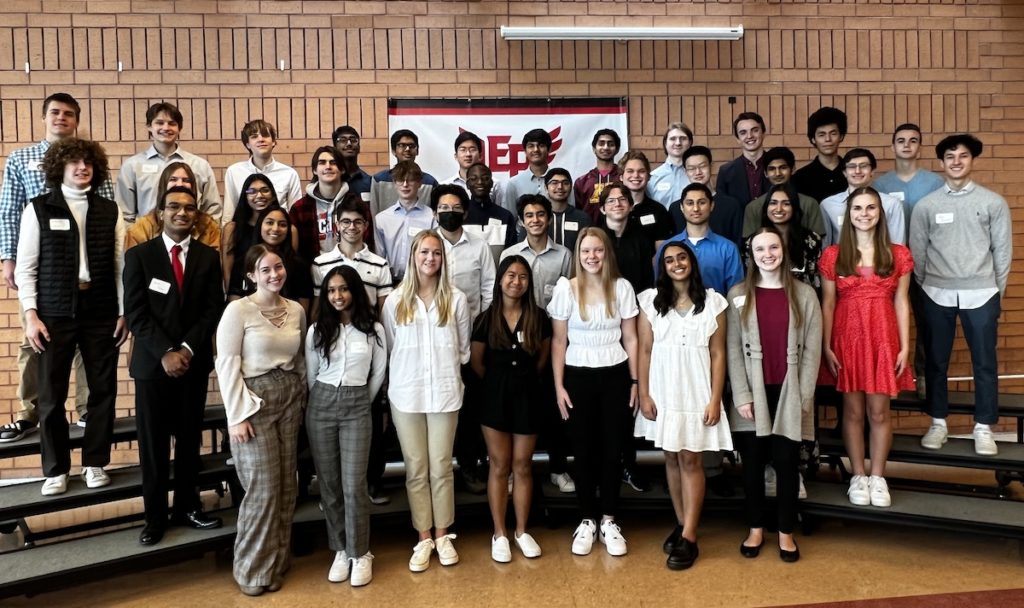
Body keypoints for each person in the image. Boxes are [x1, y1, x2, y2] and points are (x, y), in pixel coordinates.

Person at [15, 137, 128, 496]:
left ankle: (95, 463)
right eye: (74, 162)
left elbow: (119, 267)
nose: (82, 168)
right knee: (51, 396)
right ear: (59, 167)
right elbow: (26, 268)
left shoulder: (110, 210)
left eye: (88, 163)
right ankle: (55, 469)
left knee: (103, 391)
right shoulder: (38, 209)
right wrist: (31, 315)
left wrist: (123, 312)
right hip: (53, 314)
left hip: (100, 312)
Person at [0, 92, 115, 443]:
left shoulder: (90, 161)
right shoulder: (22, 158)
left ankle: (84, 411)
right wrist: (8, 258)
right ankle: (29, 412)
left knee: (88, 347)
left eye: (68, 113)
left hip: (86, 269)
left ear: (76, 119)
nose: (61, 118)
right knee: (34, 339)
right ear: (44, 117)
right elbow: (9, 210)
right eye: (54, 112)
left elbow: (106, 203)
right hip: (44, 269)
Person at [123, 185, 225, 545]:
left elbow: (213, 309)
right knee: (153, 446)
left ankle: (187, 507)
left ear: (196, 215)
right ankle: (154, 517)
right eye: (174, 207)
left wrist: (184, 349)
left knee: (188, 442)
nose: (182, 212)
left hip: (192, 364)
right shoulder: (140, 257)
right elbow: (136, 313)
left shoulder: (208, 258)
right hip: (152, 368)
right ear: (161, 213)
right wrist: (165, 351)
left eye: (189, 208)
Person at [911, 134, 1011, 457]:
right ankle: (938, 422)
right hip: (936, 292)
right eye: (950, 157)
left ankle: (983, 427)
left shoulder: (992, 202)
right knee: (936, 362)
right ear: (941, 163)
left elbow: (1003, 252)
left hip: (981, 294)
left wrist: (995, 289)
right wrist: (928, 285)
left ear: (972, 160)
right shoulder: (926, 206)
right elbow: (918, 252)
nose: (956, 161)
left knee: (985, 363)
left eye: (963, 156)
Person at [215, 244, 307, 596]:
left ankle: (276, 563)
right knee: (262, 490)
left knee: (286, 487)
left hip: (289, 396)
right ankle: (252, 571)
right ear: (251, 275)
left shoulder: (295, 309)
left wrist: (301, 393)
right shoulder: (238, 311)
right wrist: (236, 416)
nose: (274, 275)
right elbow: (226, 364)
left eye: (278, 267)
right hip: (254, 401)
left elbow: (298, 360)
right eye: (265, 270)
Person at [728, 227, 822, 564]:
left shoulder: (805, 295)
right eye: (760, 249)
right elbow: (733, 350)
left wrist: (804, 395)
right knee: (752, 465)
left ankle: (785, 531)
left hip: (790, 391)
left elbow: (812, 350)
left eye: (773, 247)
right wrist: (741, 394)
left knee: (786, 464)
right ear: (751, 254)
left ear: (783, 250)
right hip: (751, 394)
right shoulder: (738, 294)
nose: (768, 254)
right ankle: (755, 528)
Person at [635, 241, 730, 570]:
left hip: (696, 391)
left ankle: (690, 535)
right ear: (662, 267)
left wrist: (715, 398)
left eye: (682, 258)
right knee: (672, 458)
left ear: (692, 262)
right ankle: (681, 522)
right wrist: (644, 394)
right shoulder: (650, 302)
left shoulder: (714, 302)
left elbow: (719, 355)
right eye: (670, 260)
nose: (677, 264)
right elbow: (644, 351)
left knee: (691, 460)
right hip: (663, 391)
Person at [381, 230, 471, 572]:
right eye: (424, 253)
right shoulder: (394, 301)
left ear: (442, 259)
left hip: (446, 394)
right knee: (417, 468)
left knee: (441, 467)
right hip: (407, 394)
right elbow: (390, 347)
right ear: (413, 256)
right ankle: (424, 538)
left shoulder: (457, 300)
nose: (430, 259)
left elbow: (463, 352)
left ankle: (444, 534)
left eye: (436, 253)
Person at [820, 187, 914, 508]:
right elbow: (828, 303)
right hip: (846, 338)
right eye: (858, 208)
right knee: (853, 411)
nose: (864, 214)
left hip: (883, 338)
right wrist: (827, 346)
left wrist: (904, 346)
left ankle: (878, 476)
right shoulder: (834, 254)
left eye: (871, 208)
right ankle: (858, 475)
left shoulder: (897, 253)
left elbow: (902, 301)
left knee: (879, 411)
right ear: (849, 214)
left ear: (880, 212)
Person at [548, 227, 639, 557]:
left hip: (615, 374)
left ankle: (609, 520)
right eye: (586, 251)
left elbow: (631, 338)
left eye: (597, 250)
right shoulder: (566, 289)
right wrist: (558, 386)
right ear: (578, 255)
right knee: (583, 451)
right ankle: (587, 519)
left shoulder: (622, 288)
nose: (592, 256)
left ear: (606, 253)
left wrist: (635, 382)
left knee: (613, 449)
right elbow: (559, 341)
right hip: (577, 376)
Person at [305, 266, 387, 587]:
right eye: (331, 290)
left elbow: (379, 372)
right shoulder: (317, 331)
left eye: (343, 289)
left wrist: (359, 400)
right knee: (330, 485)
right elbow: (311, 375)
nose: (338, 296)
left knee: (354, 485)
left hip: (357, 406)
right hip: (321, 405)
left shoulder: (373, 330)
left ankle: (360, 551)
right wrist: (325, 400)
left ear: (354, 291)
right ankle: (340, 549)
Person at [310, 195, 394, 507]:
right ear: (336, 224)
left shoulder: (379, 264)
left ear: (366, 226)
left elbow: (384, 313)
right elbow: (318, 311)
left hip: (366, 350)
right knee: (331, 437)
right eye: (345, 221)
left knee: (370, 424)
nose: (351, 227)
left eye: (358, 222)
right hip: (333, 349)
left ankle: (370, 484)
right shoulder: (321, 264)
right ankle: (333, 494)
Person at [471, 255, 551, 563]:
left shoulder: (539, 318)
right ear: (501, 280)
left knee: (522, 464)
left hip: (528, 398)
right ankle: (500, 532)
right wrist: (499, 383)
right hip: (494, 399)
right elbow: (478, 364)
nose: (516, 282)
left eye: (523, 277)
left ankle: (521, 531)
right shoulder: (486, 319)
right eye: (511, 276)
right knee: (500, 465)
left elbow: (542, 359)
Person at [499, 194, 575, 494]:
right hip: (517, 338)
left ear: (549, 218)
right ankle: (510, 472)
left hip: (552, 335)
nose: (535, 220)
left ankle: (558, 468)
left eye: (540, 214)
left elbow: (571, 294)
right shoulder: (510, 253)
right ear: (521, 221)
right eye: (529, 215)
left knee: (554, 408)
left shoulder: (564, 255)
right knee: (515, 409)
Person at [874, 124, 945, 398]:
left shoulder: (935, 183)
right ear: (892, 147)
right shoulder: (880, 185)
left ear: (919, 147)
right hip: (889, 266)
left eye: (913, 140)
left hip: (927, 264)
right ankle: (890, 372)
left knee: (926, 321)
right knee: (888, 321)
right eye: (901, 141)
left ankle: (923, 374)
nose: (906, 145)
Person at [115, 101, 221, 223]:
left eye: (172, 123)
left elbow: (212, 210)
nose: (166, 128)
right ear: (149, 126)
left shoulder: (199, 165)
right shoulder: (132, 166)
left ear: (179, 128)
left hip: (191, 238)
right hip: (147, 238)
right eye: (159, 123)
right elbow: (124, 214)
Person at [124, 162, 221, 252]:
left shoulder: (208, 226)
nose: (180, 184)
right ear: (164, 184)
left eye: (186, 180)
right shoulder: (142, 228)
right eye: (173, 179)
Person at [222, 173, 294, 295]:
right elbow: (228, 270)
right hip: (243, 293)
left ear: (272, 194)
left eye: (265, 190)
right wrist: (233, 297)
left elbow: (291, 265)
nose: (259, 195)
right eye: (252, 191)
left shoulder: (287, 229)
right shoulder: (233, 228)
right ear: (245, 196)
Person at [742, 184, 823, 291]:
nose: (779, 209)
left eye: (786, 204)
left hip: (803, 300)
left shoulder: (811, 240)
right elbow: (750, 277)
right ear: (766, 207)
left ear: (794, 207)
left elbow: (816, 279)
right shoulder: (753, 241)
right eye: (773, 203)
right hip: (765, 299)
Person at [820, 148, 906, 247]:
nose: (857, 171)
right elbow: (825, 247)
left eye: (863, 166)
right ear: (844, 172)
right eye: (852, 166)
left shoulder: (891, 204)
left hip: (882, 261)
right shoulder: (828, 205)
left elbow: (898, 246)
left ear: (872, 171)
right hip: (841, 261)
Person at [373, 160, 437, 283]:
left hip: (422, 281)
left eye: (411, 180)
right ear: (394, 183)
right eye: (400, 180)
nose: (405, 184)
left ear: (419, 183)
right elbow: (379, 256)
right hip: (390, 282)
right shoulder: (382, 219)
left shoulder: (432, 218)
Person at [223, 119, 303, 217]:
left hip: (277, 230)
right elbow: (229, 213)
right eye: (254, 136)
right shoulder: (234, 172)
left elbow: (295, 215)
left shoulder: (289, 174)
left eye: (265, 135)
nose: (261, 139)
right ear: (247, 144)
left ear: (273, 142)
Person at [741, 146, 826, 238]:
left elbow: (818, 241)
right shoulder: (753, 208)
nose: (778, 173)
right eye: (772, 169)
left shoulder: (809, 204)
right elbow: (749, 245)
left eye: (783, 167)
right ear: (765, 173)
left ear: (792, 169)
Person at [242, 205, 313, 316]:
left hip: (288, 325)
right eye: (270, 223)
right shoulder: (243, 261)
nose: (275, 228)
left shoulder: (300, 265)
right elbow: (235, 302)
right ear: (260, 225)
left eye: (282, 224)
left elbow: (302, 313)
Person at [289, 146, 351, 262]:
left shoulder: (355, 205)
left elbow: (367, 243)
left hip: (350, 271)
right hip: (312, 274)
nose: (328, 166)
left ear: (342, 169)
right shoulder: (299, 209)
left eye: (333, 162)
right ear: (314, 170)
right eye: (322, 163)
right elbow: (294, 252)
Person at [678, 146, 744, 245]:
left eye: (702, 166)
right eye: (691, 168)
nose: (698, 172)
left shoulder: (732, 205)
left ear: (711, 166)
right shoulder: (676, 208)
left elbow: (738, 242)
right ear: (685, 171)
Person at [369, 129, 439, 216]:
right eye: (402, 145)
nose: (407, 149)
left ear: (417, 151)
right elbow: (373, 213)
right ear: (394, 151)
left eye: (412, 146)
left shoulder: (430, 182)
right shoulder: (379, 180)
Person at [506, 128, 572, 212]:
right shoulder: (514, 183)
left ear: (549, 149)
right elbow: (511, 219)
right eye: (531, 146)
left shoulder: (563, 181)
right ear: (525, 151)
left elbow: (571, 212)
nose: (536, 150)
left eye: (541, 145)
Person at [792, 107, 849, 203]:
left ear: (841, 136)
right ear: (813, 139)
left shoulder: (853, 173)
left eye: (833, 133)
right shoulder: (800, 178)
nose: (828, 139)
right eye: (821, 135)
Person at [618, 150, 674, 246]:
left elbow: (660, 252)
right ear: (621, 177)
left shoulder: (659, 211)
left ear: (648, 177)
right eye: (630, 171)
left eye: (641, 171)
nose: (636, 175)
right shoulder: (612, 208)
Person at [464, 162, 517, 261]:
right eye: (474, 179)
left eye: (485, 178)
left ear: (492, 183)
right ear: (467, 184)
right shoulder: (461, 215)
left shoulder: (505, 216)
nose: (480, 182)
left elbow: (511, 254)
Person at [716, 112, 769, 208]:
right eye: (743, 132)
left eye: (755, 130)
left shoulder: (777, 165)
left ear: (763, 133)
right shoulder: (726, 171)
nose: (749, 136)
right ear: (738, 139)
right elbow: (722, 208)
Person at [443, 132, 505, 210]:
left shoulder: (495, 184)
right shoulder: (446, 185)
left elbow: (500, 213)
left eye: (472, 150)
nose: (468, 154)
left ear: (480, 156)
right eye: (463, 150)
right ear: (456, 156)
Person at [537, 168, 590, 255]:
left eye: (565, 183)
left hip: (575, 267)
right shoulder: (538, 218)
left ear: (571, 187)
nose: (560, 187)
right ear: (546, 188)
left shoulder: (583, 218)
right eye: (554, 183)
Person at [575, 128, 622, 222]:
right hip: (590, 233)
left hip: (620, 233)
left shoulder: (624, 178)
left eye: (610, 144)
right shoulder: (582, 182)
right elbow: (577, 213)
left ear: (617, 149)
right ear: (594, 149)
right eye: (601, 143)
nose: (605, 147)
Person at [646, 122, 693, 207]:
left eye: (683, 138)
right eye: (672, 139)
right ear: (665, 143)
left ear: (690, 143)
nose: (678, 143)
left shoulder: (697, 175)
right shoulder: (653, 177)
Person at [332, 125, 372, 200]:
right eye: (343, 140)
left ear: (359, 147)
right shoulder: (328, 180)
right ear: (335, 148)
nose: (349, 144)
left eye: (353, 140)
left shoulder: (370, 182)